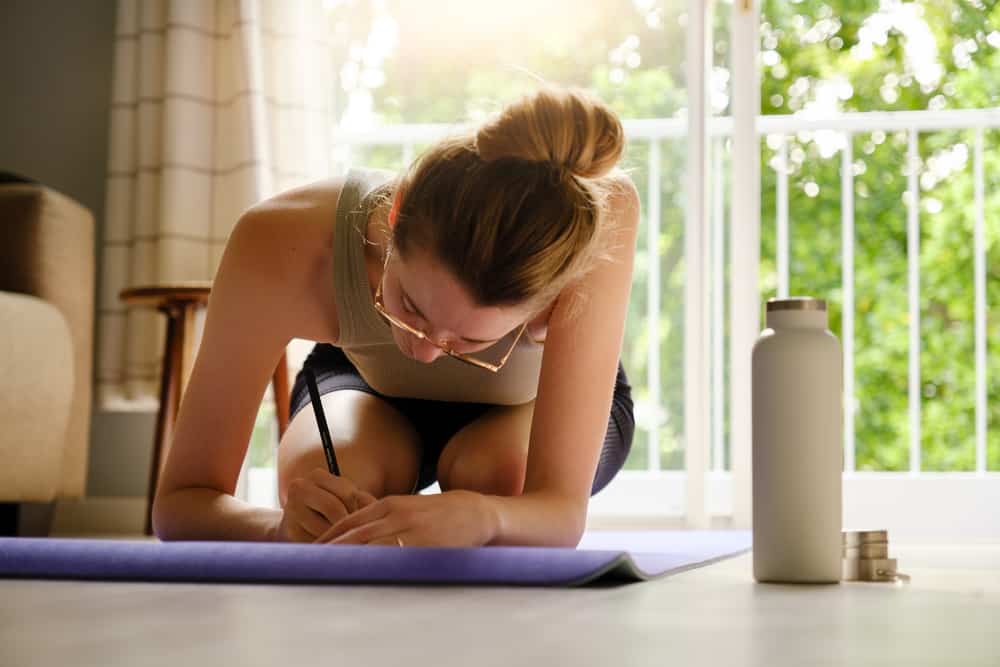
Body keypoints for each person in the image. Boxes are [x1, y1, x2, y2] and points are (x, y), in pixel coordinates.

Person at [151, 84, 640, 548]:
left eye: (469, 341)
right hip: (365, 383)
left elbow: (558, 513)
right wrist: (279, 531)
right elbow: (180, 503)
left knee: (497, 483)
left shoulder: (591, 225)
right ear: (395, 209)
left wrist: (484, 517)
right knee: (328, 493)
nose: (426, 353)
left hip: (528, 401)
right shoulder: (281, 240)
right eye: (409, 308)